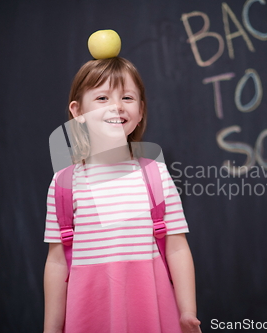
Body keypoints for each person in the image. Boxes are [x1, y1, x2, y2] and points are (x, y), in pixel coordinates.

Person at [43, 57, 201, 333]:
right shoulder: (64, 183)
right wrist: (51, 328)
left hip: (150, 306)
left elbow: (177, 248)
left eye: (127, 97)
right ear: (77, 112)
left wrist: (187, 310)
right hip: (90, 310)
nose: (116, 106)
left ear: (140, 111)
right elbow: (56, 262)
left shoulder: (156, 175)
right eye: (102, 97)